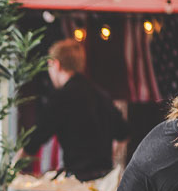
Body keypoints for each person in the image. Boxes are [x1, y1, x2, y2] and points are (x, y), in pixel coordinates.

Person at [16, 39, 128, 181]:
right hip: (104, 181)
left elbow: (34, 140)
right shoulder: (101, 95)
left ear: (55, 64)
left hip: (76, 183)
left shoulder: (61, 98)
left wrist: (11, 171)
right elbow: (123, 133)